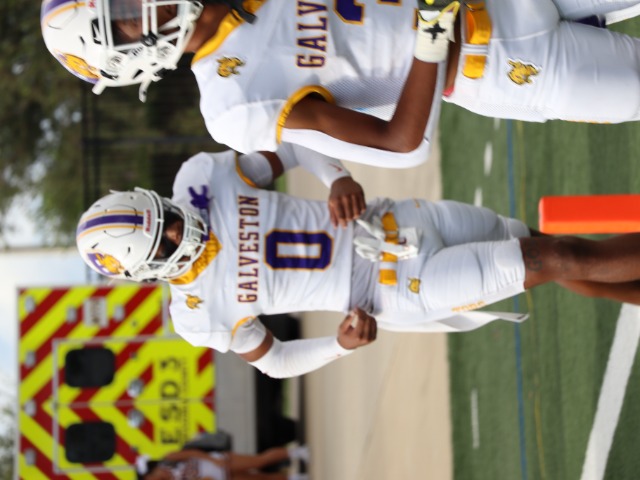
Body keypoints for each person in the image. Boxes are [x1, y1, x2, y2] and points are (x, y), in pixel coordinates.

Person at [76, 148, 640, 379]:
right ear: (145, 270)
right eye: (165, 241)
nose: (179, 229)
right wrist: (339, 346)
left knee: (543, 250)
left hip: (398, 219)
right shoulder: (196, 313)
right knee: (553, 257)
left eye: (167, 216)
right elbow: (274, 361)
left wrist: (337, 177)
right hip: (397, 289)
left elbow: (295, 145)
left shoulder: (202, 178)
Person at [42, 0, 640, 168]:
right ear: (126, 54)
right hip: (502, 65)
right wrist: (432, 31)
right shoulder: (233, 104)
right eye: (124, 14)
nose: (139, 2)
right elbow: (402, 145)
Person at [135, 444, 310, 480]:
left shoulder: (169, 459)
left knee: (258, 462)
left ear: (152, 470)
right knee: (259, 479)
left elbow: (193, 452)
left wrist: (212, 459)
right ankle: (294, 478)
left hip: (220, 462)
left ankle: (297, 452)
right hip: (222, 478)